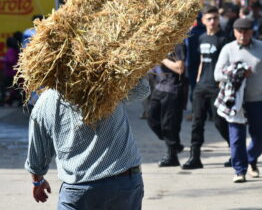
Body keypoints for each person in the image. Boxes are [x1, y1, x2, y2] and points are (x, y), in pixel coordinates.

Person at [25, 78, 150, 209]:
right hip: (122, 182)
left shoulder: (45, 101)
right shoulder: (109, 87)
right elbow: (142, 90)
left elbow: (37, 151)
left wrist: (37, 181)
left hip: (77, 190)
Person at [182, 5, 230, 170]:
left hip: (217, 87)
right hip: (201, 87)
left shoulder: (224, 39)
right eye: (209, 19)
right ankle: (194, 157)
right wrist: (197, 79)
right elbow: (202, 60)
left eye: (215, 18)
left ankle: (235, 150)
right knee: (197, 122)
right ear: (203, 21)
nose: (212, 21)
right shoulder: (201, 38)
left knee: (219, 122)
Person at [214, 18, 262, 183]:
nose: (243, 35)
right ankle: (239, 170)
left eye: (246, 31)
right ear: (234, 32)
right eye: (239, 32)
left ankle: (251, 160)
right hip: (235, 100)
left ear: (251, 32)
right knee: (236, 137)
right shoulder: (228, 49)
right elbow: (217, 74)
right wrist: (237, 72)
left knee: (259, 136)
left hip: (257, 99)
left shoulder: (260, 48)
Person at [147, 43, 186, 167]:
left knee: (168, 125)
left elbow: (180, 68)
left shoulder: (178, 45)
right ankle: (175, 145)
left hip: (172, 89)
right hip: (158, 88)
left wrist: (162, 59)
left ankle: (172, 156)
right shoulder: (159, 43)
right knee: (151, 119)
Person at [0, 36, 19, 106]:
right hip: (14, 73)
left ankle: (3, 101)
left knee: (3, 86)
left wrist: (3, 59)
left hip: (10, 73)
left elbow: (10, 60)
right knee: (15, 88)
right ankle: (11, 100)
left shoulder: (10, 50)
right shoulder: (15, 50)